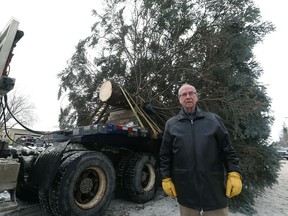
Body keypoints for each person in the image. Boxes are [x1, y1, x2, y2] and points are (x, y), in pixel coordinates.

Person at [160, 83, 242, 216]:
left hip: (214, 191)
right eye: (184, 94)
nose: (188, 96)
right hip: (186, 192)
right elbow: (165, 156)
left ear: (197, 97)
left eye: (191, 93)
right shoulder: (172, 125)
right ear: (179, 99)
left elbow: (228, 151)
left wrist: (234, 173)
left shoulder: (213, 120)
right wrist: (166, 178)